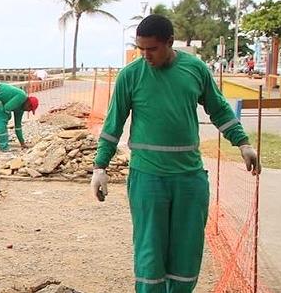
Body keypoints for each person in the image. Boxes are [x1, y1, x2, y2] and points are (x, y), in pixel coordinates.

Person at [90, 15, 260, 293]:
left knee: (187, 250)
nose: (145, 56)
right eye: (140, 49)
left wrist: (242, 143)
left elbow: (218, 109)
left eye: (152, 49)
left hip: (189, 179)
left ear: (170, 43)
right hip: (148, 179)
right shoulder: (130, 76)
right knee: (149, 252)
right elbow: (113, 125)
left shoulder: (195, 70)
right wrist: (100, 167)